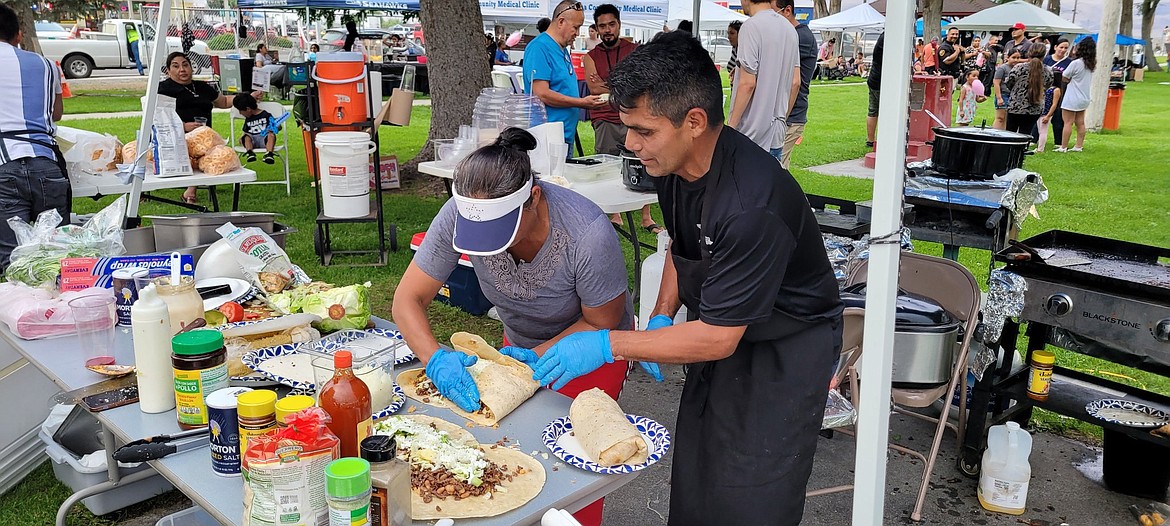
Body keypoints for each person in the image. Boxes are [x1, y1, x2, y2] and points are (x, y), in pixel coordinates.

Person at [531, 32, 843, 525]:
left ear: (694, 121)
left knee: (752, 487)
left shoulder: (750, 206)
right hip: (723, 325)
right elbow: (683, 245)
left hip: (785, 347)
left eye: (643, 131)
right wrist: (659, 315)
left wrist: (610, 344)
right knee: (700, 465)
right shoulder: (674, 164)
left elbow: (718, 338)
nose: (631, 144)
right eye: (627, 127)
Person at [392, 127, 637, 526]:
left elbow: (601, 321)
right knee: (511, 450)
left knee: (575, 469)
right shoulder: (462, 211)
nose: (495, 248)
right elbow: (408, 299)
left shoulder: (586, 234)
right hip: (515, 348)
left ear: (533, 199)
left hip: (588, 353)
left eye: (499, 233)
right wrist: (434, 357)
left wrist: (535, 360)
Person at [0, 4, 69, 271]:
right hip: (46, 161)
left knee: (12, 257)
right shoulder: (46, 65)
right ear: (18, 35)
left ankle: (22, 309)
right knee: (57, 253)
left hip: (4, 165)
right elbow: (57, 113)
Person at [584, 3, 660, 234]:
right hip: (605, 118)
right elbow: (593, 87)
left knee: (644, 162)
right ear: (596, 29)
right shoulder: (591, 56)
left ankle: (646, 217)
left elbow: (642, 83)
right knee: (607, 166)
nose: (607, 30)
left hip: (634, 117)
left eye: (611, 24)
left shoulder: (635, 50)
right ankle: (615, 214)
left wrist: (609, 86)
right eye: (602, 26)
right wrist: (623, 85)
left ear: (619, 24)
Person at [158, 52, 262, 203]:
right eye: (176, 66)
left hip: (204, 139)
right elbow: (159, 116)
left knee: (222, 155)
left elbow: (224, 101)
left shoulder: (201, 87)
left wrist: (248, 96)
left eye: (185, 65)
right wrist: (183, 126)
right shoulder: (164, 88)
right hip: (176, 137)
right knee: (195, 152)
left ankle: (192, 188)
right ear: (168, 71)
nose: (182, 69)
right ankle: (190, 190)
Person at [524, 0, 606, 147]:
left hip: (564, 135)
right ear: (561, 22)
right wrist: (582, 103)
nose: (578, 33)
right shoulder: (539, 47)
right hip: (547, 137)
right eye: (576, 27)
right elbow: (542, 93)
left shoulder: (562, 47)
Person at [728, 0, 800, 159]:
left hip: (750, 133)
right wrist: (782, 117)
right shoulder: (790, 29)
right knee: (770, 183)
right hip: (776, 133)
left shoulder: (750, 27)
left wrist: (730, 128)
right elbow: (796, 82)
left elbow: (747, 84)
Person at [777, 0, 815, 169]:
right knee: (779, 169)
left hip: (791, 116)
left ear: (787, 11)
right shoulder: (796, 35)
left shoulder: (799, 37)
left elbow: (795, 82)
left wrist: (783, 117)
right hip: (788, 115)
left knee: (776, 170)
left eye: (773, 13)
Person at [1003, 46, 1052, 139]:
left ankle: (1008, 152)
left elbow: (1009, 82)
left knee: (1009, 134)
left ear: (1029, 54)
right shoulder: (1048, 71)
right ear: (1044, 55)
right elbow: (1047, 86)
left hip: (1016, 106)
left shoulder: (1019, 68)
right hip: (1035, 108)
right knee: (1025, 135)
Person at [1059, 37, 1096, 152]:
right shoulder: (1091, 64)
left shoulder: (1075, 63)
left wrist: (1068, 80)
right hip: (1084, 97)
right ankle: (1078, 146)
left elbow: (1065, 76)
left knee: (1068, 122)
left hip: (1072, 97)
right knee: (1080, 122)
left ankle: (1063, 146)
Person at [1042, 38, 1072, 148]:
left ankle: (1058, 141)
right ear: (1055, 47)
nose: (1063, 50)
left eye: (1065, 48)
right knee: (1042, 114)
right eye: (1061, 47)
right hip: (1046, 91)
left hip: (1062, 91)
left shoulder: (1069, 62)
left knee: (1059, 116)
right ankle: (1035, 138)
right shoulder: (1047, 59)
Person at [232, 93, 276, 164]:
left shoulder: (266, 115)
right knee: (246, 137)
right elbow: (246, 131)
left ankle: (269, 153)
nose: (240, 113)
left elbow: (277, 127)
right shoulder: (248, 119)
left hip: (264, 139)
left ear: (248, 109)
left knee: (271, 135)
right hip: (252, 141)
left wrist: (274, 128)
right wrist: (242, 138)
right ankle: (250, 152)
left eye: (240, 110)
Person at [992, 49, 1018, 130]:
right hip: (1003, 94)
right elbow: (996, 83)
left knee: (1007, 119)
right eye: (1013, 57)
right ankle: (995, 135)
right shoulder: (1002, 68)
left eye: (1018, 58)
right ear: (1008, 57)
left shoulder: (1017, 68)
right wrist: (999, 98)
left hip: (1012, 96)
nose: (1016, 60)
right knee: (1000, 118)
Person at [866, 32, 884, 148]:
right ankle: (884, 138)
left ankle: (870, 140)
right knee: (884, 111)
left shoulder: (882, 36)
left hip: (874, 78)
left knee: (873, 110)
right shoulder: (889, 38)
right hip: (881, 80)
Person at [726, 21, 741, 88]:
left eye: (732, 33)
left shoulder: (745, 52)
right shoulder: (735, 49)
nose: (729, 37)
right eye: (728, 33)